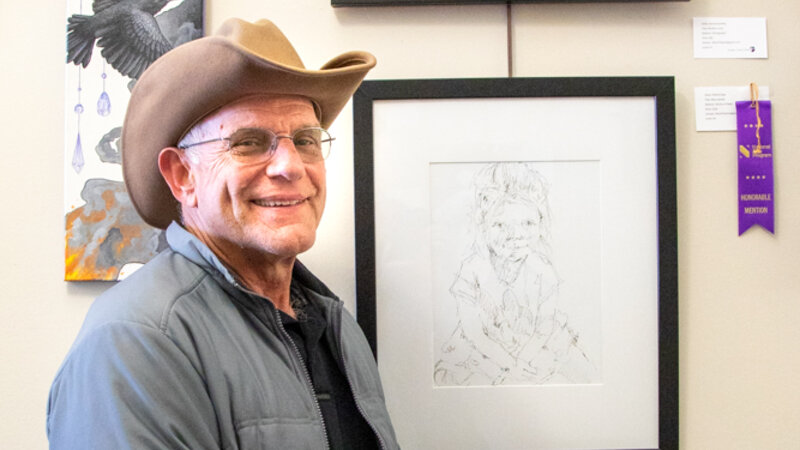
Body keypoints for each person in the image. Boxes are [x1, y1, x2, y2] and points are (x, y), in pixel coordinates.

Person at [47, 18, 399, 449]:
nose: (290, 166)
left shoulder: (334, 324)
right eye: (249, 142)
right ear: (182, 176)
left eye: (306, 140)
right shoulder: (135, 342)